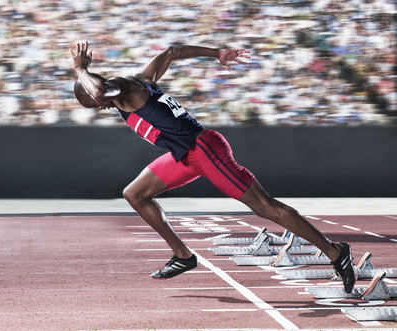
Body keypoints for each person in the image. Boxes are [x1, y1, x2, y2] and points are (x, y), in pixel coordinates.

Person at [70, 41, 357, 293]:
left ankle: (335, 252)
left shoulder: (121, 88)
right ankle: (183, 255)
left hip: (205, 150)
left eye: (93, 104)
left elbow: (98, 91)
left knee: (266, 207)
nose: (99, 108)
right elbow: (173, 52)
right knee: (135, 194)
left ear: (98, 87)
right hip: (184, 155)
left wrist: (81, 70)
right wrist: (217, 53)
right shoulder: (139, 80)